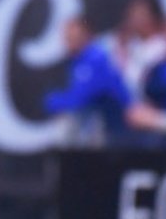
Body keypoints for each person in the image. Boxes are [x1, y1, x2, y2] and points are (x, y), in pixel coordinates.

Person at [45, 15, 134, 147]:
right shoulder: (75, 61)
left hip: (118, 131)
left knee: (67, 127)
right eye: (66, 37)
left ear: (86, 36)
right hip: (102, 128)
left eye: (73, 37)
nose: (68, 41)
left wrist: (52, 101)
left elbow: (80, 99)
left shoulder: (96, 58)